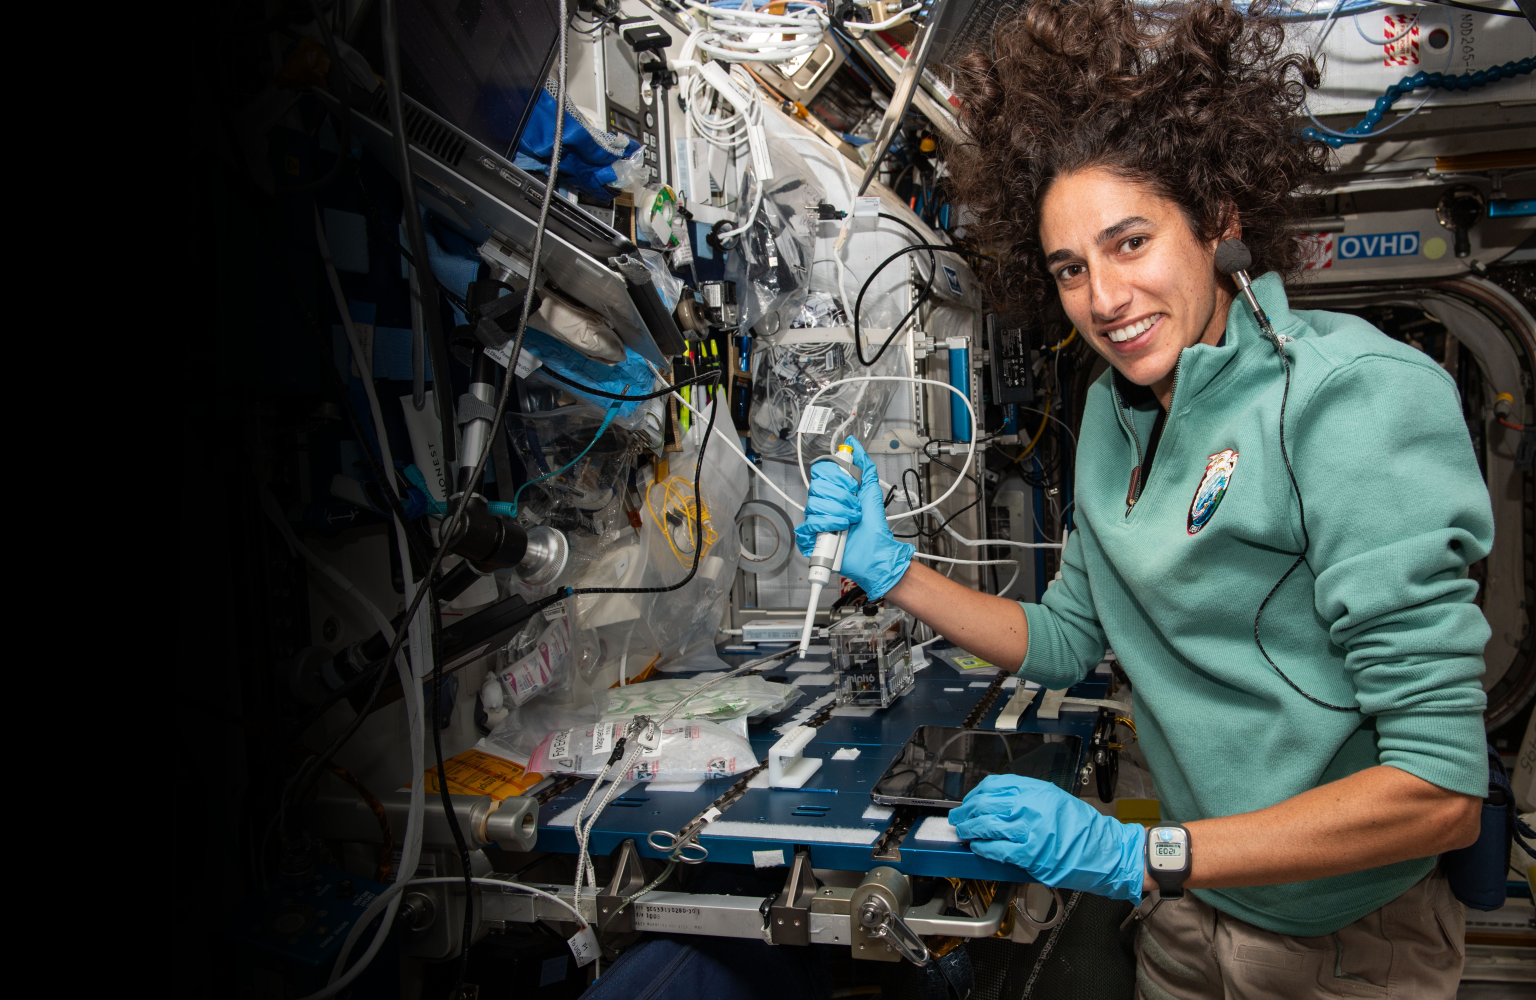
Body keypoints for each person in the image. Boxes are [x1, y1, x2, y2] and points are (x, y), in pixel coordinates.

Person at [796, 2, 1491, 996]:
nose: (1104, 298)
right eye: (1070, 267)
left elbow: (1438, 793)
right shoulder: (1113, 412)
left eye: (1130, 242)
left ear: (1218, 220)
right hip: (1190, 908)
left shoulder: (1348, 401)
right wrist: (895, 571)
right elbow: (1069, 636)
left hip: (1342, 933)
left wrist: (1141, 857)